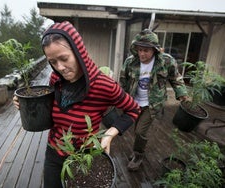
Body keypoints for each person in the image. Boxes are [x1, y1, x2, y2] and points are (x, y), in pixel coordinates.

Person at [13, 21, 141, 188]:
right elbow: (53, 111)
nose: (60, 68)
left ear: (79, 51)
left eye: (64, 58)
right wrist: (27, 105)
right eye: (52, 62)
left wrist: (109, 135)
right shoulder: (55, 79)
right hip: (54, 151)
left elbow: (133, 109)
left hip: (83, 158)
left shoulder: (104, 85)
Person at [119, 29, 188, 171]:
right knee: (137, 130)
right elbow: (123, 81)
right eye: (139, 50)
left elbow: (176, 78)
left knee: (140, 132)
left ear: (155, 50)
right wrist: (119, 99)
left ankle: (138, 155)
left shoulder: (166, 61)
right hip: (133, 103)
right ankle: (137, 149)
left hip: (153, 103)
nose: (142, 54)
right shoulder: (130, 62)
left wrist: (182, 94)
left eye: (146, 50)